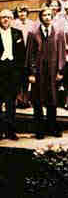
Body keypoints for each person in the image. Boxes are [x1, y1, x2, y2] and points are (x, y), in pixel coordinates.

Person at [26, 7, 66, 139]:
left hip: (52, 70)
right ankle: (39, 130)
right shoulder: (33, 33)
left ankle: (52, 127)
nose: (47, 17)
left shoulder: (58, 32)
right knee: (38, 101)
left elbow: (61, 53)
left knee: (52, 100)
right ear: (41, 17)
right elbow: (30, 55)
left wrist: (60, 70)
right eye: (45, 15)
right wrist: (31, 73)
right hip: (39, 71)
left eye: (49, 15)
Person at [0, 9, 26, 140]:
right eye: (3, 17)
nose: (5, 20)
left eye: (8, 17)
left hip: (13, 72)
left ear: (11, 19)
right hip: (0, 71)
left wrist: (21, 74)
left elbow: (22, 55)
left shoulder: (18, 33)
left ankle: (10, 131)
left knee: (11, 104)